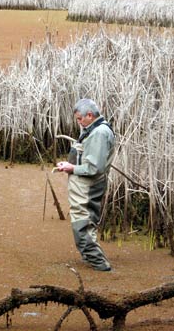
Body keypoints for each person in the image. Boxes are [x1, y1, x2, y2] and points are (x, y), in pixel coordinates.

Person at [57, 98, 115, 271]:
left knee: (82, 225)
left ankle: (101, 265)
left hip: (87, 188)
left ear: (90, 115)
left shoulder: (99, 133)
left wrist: (71, 167)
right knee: (84, 223)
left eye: (79, 119)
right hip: (84, 186)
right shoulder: (94, 129)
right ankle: (91, 258)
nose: (79, 123)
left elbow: (94, 167)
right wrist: (69, 166)